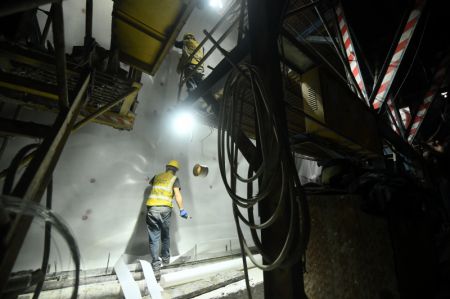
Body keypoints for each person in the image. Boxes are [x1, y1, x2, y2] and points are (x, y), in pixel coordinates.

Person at [146, 160, 188, 280]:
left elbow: (151, 184)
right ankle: (165, 260)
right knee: (165, 236)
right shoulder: (174, 178)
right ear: (175, 170)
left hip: (152, 208)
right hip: (165, 209)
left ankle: (156, 266)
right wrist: (182, 210)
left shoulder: (157, 176)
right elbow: (177, 194)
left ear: (166, 167)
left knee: (154, 238)